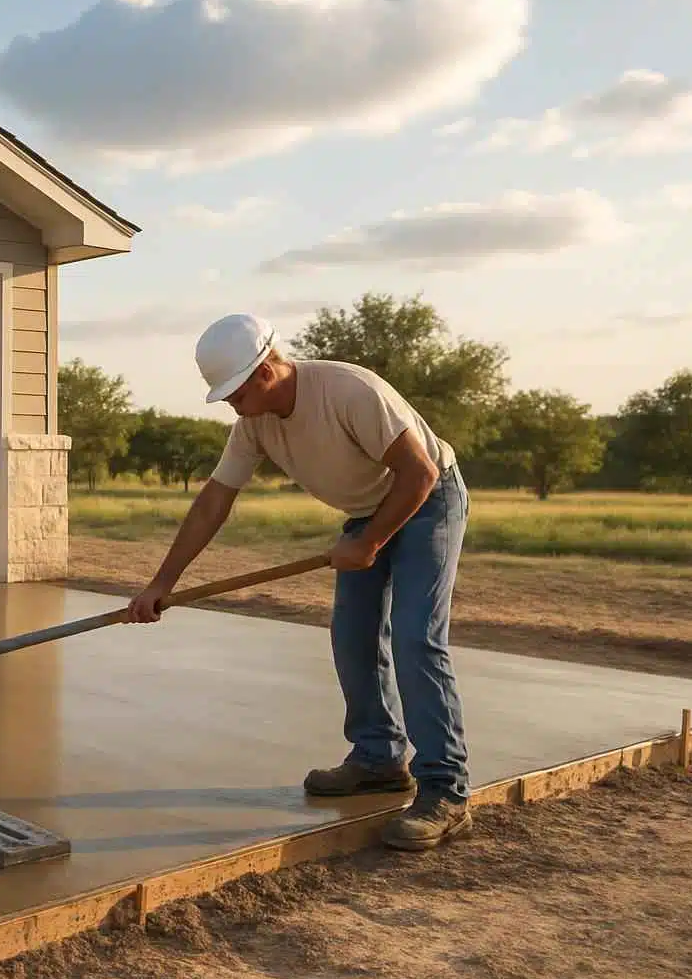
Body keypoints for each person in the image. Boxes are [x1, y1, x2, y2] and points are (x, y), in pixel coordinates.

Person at [126, 312, 472, 851]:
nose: (231, 406)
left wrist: (371, 542)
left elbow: (420, 473)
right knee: (352, 638)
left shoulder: (348, 390)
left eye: (233, 393)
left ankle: (445, 792)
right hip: (366, 512)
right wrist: (160, 584)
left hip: (429, 502)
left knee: (413, 638)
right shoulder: (255, 425)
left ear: (264, 372)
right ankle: (379, 758)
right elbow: (214, 500)